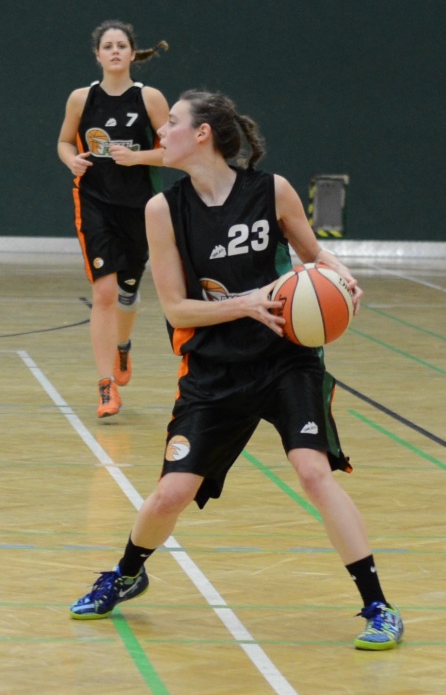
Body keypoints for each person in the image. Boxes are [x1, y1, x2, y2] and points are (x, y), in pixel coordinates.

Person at [69, 90, 404, 650]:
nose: (161, 132)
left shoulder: (271, 190)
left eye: (172, 123)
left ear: (202, 134)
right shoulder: (163, 209)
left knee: (313, 472)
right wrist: (246, 303)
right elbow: (177, 309)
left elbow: (314, 255)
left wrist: (342, 277)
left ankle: (378, 605)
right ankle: (126, 574)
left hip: (285, 358)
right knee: (171, 493)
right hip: (214, 368)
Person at [57, 20, 169, 418]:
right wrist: (71, 160)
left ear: (132, 53)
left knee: (127, 293)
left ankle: (123, 346)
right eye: (108, 46)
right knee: (104, 293)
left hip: (139, 207)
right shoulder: (81, 99)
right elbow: (64, 141)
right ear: (98, 55)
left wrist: (138, 157)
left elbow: (173, 151)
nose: (116, 51)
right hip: (94, 203)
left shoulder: (150, 98)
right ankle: (106, 386)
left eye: (122, 45)